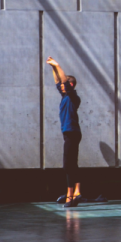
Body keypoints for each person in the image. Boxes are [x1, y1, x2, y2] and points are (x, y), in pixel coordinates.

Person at [47, 57, 82, 208]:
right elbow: (57, 82)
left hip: (72, 133)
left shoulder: (74, 97)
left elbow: (63, 82)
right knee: (72, 165)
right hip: (68, 133)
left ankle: (70, 195)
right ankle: (77, 192)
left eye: (65, 85)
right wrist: (53, 68)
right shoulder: (65, 97)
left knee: (67, 166)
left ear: (71, 85)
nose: (61, 86)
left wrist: (58, 65)